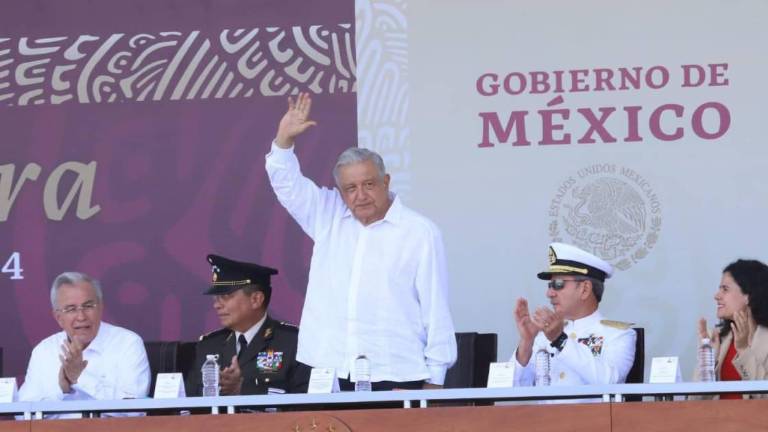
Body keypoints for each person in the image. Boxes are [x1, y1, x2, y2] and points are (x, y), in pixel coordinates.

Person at [264, 92, 456, 390]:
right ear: (340, 192)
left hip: (394, 372)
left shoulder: (419, 232)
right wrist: (283, 140)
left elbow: (435, 309)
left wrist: (435, 380)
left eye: (369, 184)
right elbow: (287, 184)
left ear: (386, 182)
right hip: (327, 370)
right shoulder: (326, 216)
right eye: (350, 188)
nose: (361, 195)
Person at [512, 242, 636, 390]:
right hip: (545, 414)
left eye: (558, 284)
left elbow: (610, 382)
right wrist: (526, 342)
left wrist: (560, 340)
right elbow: (508, 389)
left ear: (585, 289)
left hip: (593, 414)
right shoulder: (543, 337)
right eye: (549, 285)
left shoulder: (618, 334)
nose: (549, 293)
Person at [186, 254, 310, 396]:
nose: (216, 305)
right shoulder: (208, 346)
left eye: (225, 297)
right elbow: (189, 404)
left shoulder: (292, 342)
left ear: (256, 299)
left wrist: (243, 390)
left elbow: (306, 403)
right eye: (216, 298)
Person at [18, 272, 150, 404]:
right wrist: (63, 390)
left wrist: (79, 379)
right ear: (58, 317)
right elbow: (24, 413)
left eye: (88, 306)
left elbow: (134, 410)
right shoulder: (44, 351)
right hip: (59, 425)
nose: (81, 317)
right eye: (71, 309)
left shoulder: (127, 343)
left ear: (101, 308)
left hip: (109, 425)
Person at [695, 259, 768, 399]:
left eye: (725, 289)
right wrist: (708, 359)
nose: (716, 296)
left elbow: (764, 398)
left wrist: (744, 351)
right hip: (716, 420)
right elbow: (694, 403)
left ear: (748, 296)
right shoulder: (718, 338)